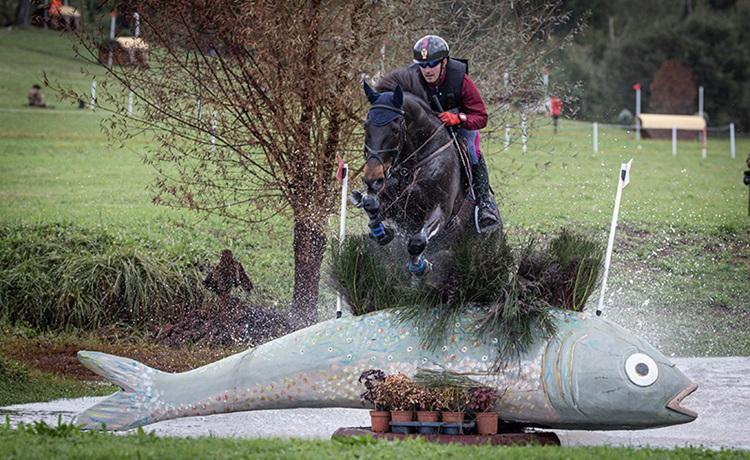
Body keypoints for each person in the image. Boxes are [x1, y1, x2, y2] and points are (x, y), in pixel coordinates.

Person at [377, 34, 500, 233]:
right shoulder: (411, 78)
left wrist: (458, 118)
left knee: (471, 149)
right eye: (422, 65)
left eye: (432, 64)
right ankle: (382, 195)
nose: (427, 70)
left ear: (444, 62)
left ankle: (484, 204)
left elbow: (481, 116)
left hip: (459, 128)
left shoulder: (461, 79)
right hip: (426, 135)